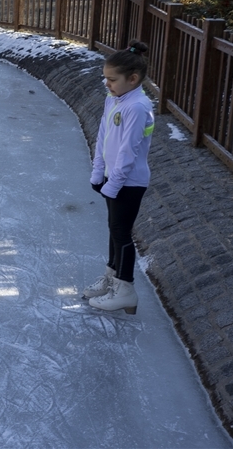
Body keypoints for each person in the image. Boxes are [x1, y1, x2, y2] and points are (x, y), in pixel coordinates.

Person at [82, 40, 154, 315]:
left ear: (132, 79)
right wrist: (98, 171)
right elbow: (103, 136)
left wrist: (113, 184)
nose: (107, 84)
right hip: (114, 179)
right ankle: (112, 279)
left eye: (112, 79)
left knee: (122, 233)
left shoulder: (137, 107)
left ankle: (125, 289)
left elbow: (128, 151)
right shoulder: (114, 99)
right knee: (114, 230)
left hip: (130, 181)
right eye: (105, 79)